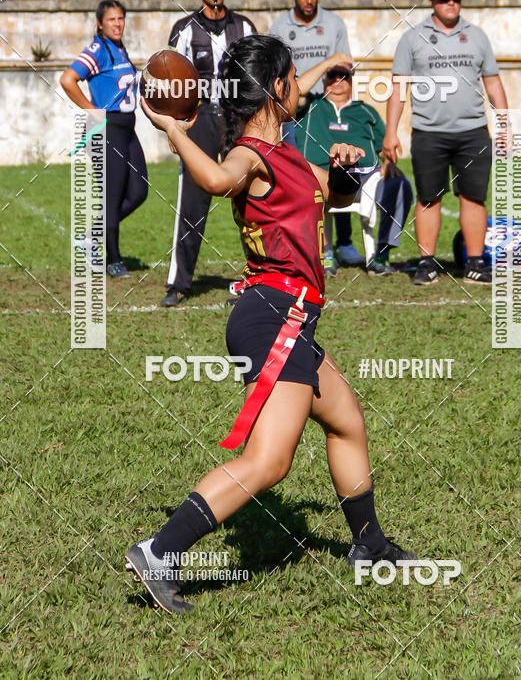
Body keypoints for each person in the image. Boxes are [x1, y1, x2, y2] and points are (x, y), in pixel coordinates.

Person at [126, 35, 416, 615]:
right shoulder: (250, 155)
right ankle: (160, 551)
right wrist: (174, 131)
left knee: (347, 421)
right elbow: (215, 179)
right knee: (269, 461)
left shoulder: (289, 153)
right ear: (276, 88)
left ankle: (370, 545)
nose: (301, 88)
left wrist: (346, 173)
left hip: (292, 319)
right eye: (292, 79)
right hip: (270, 317)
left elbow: (327, 196)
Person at [383, 0, 509, 285]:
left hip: (473, 132)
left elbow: (492, 82)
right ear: (431, 2)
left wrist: (506, 123)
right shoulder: (412, 38)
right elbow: (399, 87)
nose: (450, 3)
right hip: (429, 132)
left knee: (473, 197)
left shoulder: (477, 36)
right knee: (429, 198)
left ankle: (476, 264)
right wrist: (391, 132)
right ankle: (427, 264)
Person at [161, 0, 257, 307]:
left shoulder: (244, 26)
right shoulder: (184, 29)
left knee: (249, 197)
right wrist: (175, 129)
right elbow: (170, 80)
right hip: (199, 116)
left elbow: (255, 77)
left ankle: (257, 277)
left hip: (235, 117)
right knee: (193, 197)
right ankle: (179, 282)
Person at [269, 0, 360, 268]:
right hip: (293, 118)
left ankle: (345, 243)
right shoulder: (279, 28)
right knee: (306, 181)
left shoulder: (334, 24)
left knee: (340, 172)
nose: (309, 1)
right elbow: (274, 77)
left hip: (329, 112)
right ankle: (322, 248)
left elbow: (344, 66)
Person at [296, 62, 413, 276]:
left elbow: (385, 145)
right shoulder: (311, 105)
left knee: (400, 185)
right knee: (302, 183)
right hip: (319, 177)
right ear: (323, 78)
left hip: (366, 179)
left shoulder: (365, 111)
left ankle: (381, 254)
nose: (337, 79)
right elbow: (297, 91)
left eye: (343, 75)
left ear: (351, 79)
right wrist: (327, 63)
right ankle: (324, 253)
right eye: (332, 74)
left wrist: (390, 164)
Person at [59, 0, 147, 278]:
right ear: (100, 23)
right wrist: (93, 112)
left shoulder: (119, 48)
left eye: (121, 18)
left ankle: (90, 236)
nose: (117, 23)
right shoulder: (98, 49)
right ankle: (114, 260)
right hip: (108, 129)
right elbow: (67, 79)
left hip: (127, 129)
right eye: (111, 19)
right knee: (112, 198)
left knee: (139, 191)